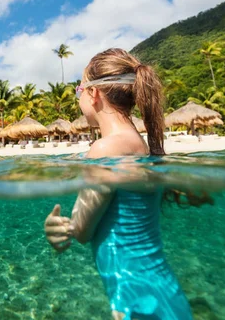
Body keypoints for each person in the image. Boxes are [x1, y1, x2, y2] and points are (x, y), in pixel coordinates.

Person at [44, 48, 212, 320]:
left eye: (79, 90)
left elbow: (83, 232)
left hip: (138, 302)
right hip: (163, 295)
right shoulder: (140, 146)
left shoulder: (105, 149)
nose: (79, 98)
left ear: (93, 93)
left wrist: (57, 227)